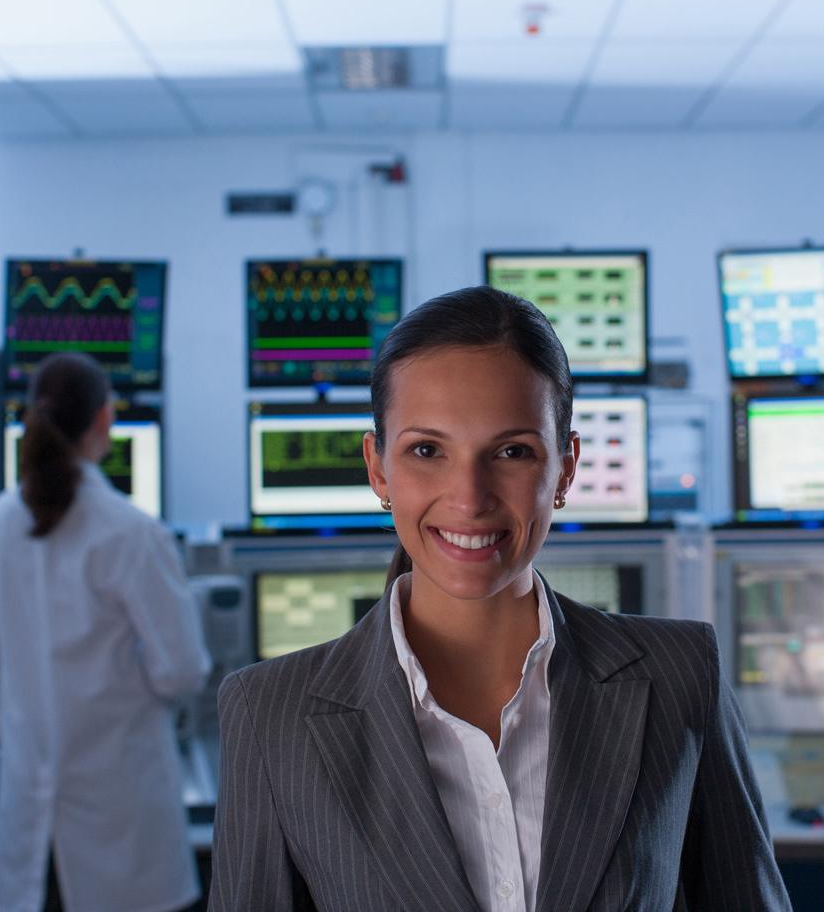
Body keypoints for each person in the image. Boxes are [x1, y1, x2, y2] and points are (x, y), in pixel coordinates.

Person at [209, 286, 790, 911]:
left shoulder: (680, 674)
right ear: (378, 469)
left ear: (565, 468)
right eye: (427, 451)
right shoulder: (270, 716)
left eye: (512, 451)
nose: (469, 496)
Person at [0, 352, 210, 912]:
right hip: (124, 830)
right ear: (105, 420)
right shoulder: (132, 533)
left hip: (31, 833)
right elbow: (181, 671)